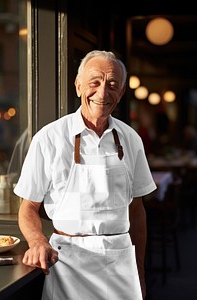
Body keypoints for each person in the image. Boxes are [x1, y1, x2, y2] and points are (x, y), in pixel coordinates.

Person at [14, 50, 156, 300]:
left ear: (121, 92)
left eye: (112, 84)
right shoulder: (48, 138)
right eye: (95, 82)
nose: (102, 93)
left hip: (119, 263)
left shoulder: (131, 139)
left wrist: (140, 274)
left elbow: (137, 210)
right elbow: (28, 207)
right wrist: (37, 241)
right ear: (78, 86)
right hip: (67, 262)